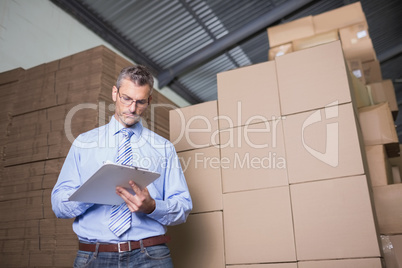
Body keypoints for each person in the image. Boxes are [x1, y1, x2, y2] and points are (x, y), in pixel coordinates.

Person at [52, 65, 192, 267]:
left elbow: (183, 206)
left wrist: (153, 207)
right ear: (114, 93)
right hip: (94, 256)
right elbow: (58, 205)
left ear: (149, 101)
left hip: (151, 255)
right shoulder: (84, 142)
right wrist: (90, 194)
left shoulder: (163, 148)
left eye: (140, 102)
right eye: (126, 98)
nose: (133, 109)